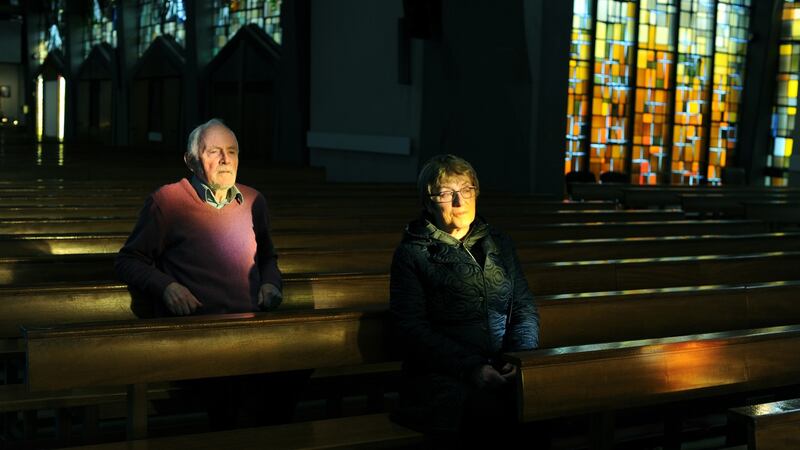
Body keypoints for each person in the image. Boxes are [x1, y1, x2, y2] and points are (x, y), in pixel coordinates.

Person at [115, 118, 305, 429]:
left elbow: (269, 257)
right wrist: (166, 286)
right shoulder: (167, 201)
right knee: (237, 399)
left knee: (301, 364)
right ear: (191, 160)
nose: (226, 160)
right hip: (199, 334)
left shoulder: (254, 200)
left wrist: (271, 283)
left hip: (252, 332)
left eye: (232, 151)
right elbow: (128, 260)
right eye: (214, 151)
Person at [389, 154, 540, 448]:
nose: (459, 201)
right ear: (428, 202)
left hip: (504, 365)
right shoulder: (412, 254)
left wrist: (519, 357)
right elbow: (410, 327)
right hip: (442, 372)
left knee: (539, 405)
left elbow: (523, 306)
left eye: (466, 190)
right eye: (446, 193)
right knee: (487, 414)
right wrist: (471, 368)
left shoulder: (499, 242)